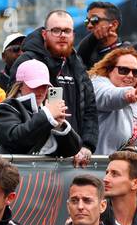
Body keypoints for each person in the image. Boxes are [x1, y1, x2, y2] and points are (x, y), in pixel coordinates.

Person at [13, 9, 99, 166]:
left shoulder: (77, 63)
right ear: (45, 34)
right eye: (56, 30)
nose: (62, 35)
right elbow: (14, 104)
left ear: (73, 34)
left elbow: (90, 109)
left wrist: (87, 145)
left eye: (67, 31)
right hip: (36, 158)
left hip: (74, 155)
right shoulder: (27, 61)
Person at [0, 57, 80, 157]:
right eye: (34, 85)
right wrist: (47, 115)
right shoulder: (6, 108)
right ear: (20, 85)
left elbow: (72, 150)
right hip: (11, 171)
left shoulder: (44, 112)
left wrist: (59, 126)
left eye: (44, 86)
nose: (40, 90)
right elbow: (15, 140)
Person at [89, 47, 137, 155]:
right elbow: (107, 96)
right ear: (109, 70)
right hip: (96, 168)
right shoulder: (97, 84)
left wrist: (134, 151)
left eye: (135, 72)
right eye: (123, 70)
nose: (130, 75)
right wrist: (126, 94)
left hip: (122, 168)